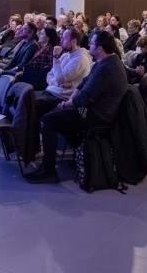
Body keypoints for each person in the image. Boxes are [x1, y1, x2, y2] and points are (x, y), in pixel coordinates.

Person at [24, 30, 127, 183]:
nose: (89, 45)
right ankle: (82, 152)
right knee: (57, 117)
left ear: (100, 48)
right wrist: (68, 102)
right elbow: (83, 84)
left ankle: (48, 170)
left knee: (48, 120)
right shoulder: (104, 62)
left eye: (92, 43)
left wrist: (66, 104)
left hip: (96, 114)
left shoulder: (108, 68)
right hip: (90, 108)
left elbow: (85, 97)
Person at [34, 28, 92, 117]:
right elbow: (49, 74)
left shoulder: (80, 59)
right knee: (23, 97)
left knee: (29, 104)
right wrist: (55, 83)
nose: (61, 41)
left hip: (60, 97)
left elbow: (60, 78)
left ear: (73, 41)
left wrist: (55, 56)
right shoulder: (66, 55)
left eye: (64, 38)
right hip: (51, 90)